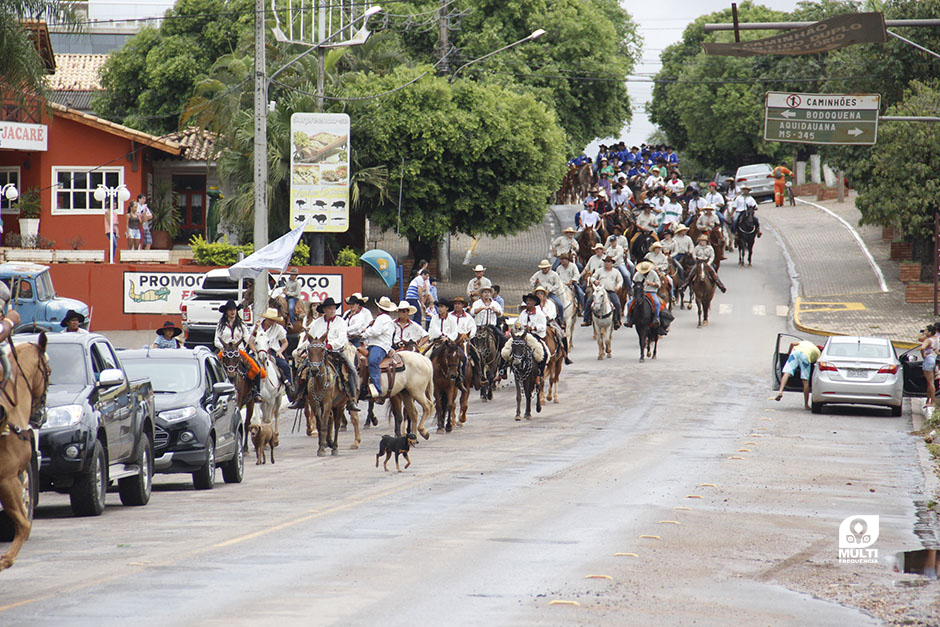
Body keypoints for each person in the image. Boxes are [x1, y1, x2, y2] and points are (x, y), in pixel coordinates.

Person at [214, 300, 262, 402]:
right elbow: (216, 341)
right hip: (225, 352)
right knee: (213, 367)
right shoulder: (220, 325)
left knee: (256, 368)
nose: (232, 312)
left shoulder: (241, 324)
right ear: (226, 312)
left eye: (234, 309)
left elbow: (248, 340)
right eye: (230, 310)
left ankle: (256, 391)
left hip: (239, 351)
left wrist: (255, 331)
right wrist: (225, 347)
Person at [248, 307, 293, 395]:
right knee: (248, 366)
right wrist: (254, 351)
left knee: (285, 366)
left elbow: (285, 342)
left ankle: (289, 389)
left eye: (273, 320)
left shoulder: (278, 328)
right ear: (266, 319)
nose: (272, 322)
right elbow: (251, 342)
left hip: (272, 351)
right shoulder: (256, 328)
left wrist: (280, 351)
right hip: (258, 350)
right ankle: (248, 388)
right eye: (270, 320)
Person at [360, 296, 397, 400]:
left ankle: (377, 389)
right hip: (376, 344)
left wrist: (364, 334)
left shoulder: (382, 318)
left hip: (380, 345)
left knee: (372, 361)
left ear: (378, 307)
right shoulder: (384, 319)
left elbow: (376, 331)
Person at [773, 340, 822, 409]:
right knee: (805, 380)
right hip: (805, 356)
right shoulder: (818, 353)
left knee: (787, 373)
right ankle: (806, 404)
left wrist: (789, 352)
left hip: (795, 353)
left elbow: (792, 343)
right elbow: (817, 365)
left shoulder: (805, 342)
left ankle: (780, 391)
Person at [582, 256, 623, 329]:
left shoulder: (616, 272)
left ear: (612, 263)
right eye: (606, 262)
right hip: (600, 291)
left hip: (610, 291)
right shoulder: (599, 271)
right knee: (589, 301)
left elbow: (620, 280)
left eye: (609, 262)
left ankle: (617, 320)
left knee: (617, 303)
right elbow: (592, 277)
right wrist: (595, 281)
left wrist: (618, 286)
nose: (607, 263)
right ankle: (586, 319)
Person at [534, 285, 572, 365]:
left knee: (562, 334)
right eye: (538, 293)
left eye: (541, 293)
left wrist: (547, 316)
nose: (540, 295)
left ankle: (565, 354)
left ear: (544, 295)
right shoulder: (534, 305)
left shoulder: (550, 303)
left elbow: (553, 313)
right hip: (537, 323)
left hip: (550, 322)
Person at [625, 261, 661, 328]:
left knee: (656, 303)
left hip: (650, 291)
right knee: (629, 303)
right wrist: (636, 288)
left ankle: (657, 318)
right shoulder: (637, 274)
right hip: (639, 293)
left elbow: (659, 284)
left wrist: (652, 284)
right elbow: (633, 284)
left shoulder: (653, 274)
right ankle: (629, 319)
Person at [529, 260, 565, 326]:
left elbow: (557, 285)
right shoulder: (537, 274)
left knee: (560, 305)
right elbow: (531, 281)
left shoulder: (554, 274)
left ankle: (561, 320)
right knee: (529, 303)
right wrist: (535, 283)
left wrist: (550, 289)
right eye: (542, 268)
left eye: (545, 268)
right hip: (539, 293)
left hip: (550, 293)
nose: (544, 269)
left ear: (548, 267)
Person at [919, 324, 938, 407]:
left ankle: (932, 401)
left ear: (930, 332)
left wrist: (923, 355)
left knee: (930, 383)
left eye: (926, 330)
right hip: (934, 359)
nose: (925, 332)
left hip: (928, 360)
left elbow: (922, 348)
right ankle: (928, 400)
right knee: (930, 382)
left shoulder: (928, 340)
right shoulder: (937, 339)